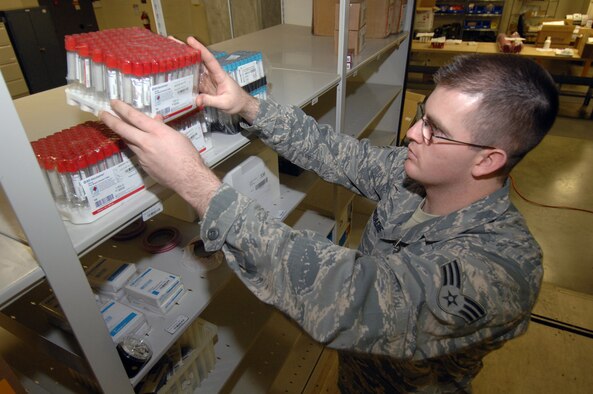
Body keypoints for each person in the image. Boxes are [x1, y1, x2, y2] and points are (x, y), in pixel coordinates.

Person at [100, 36, 559, 393]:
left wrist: (195, 183)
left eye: (436, 131)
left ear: (487, 160)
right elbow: (337, 153)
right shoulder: (413, 178)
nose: (413, 132)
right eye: (423, 115)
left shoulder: (503, 268)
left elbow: (349, 296)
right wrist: (247, 106)